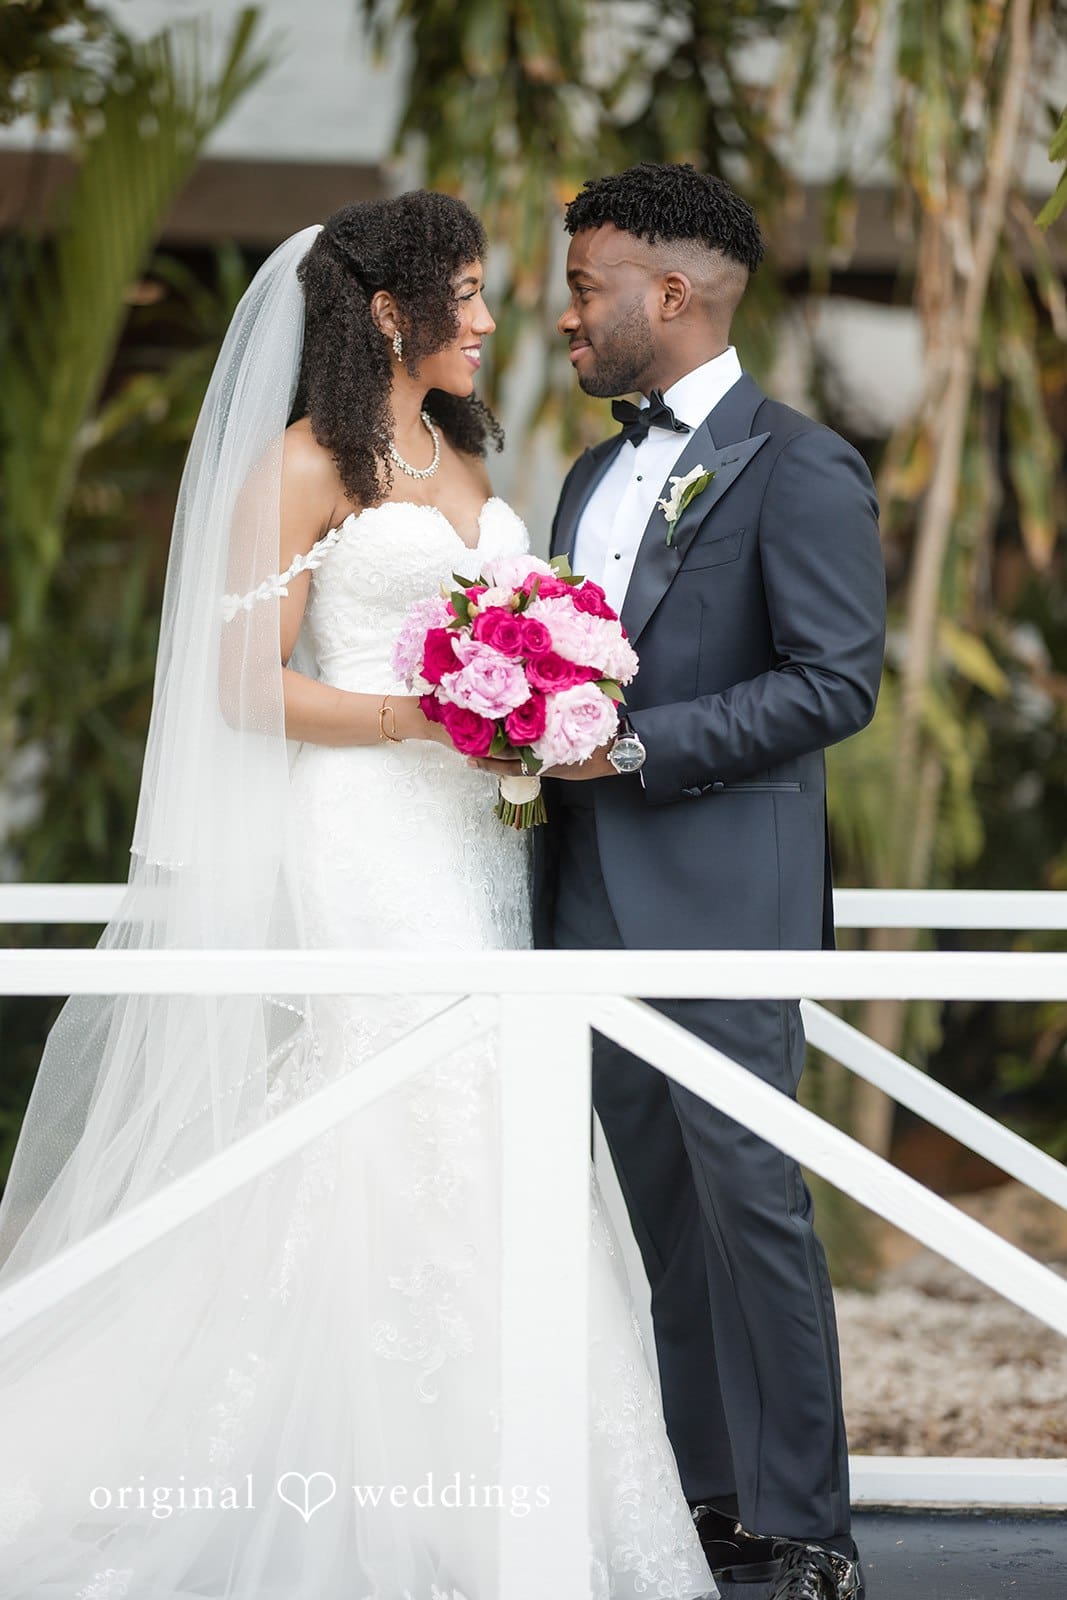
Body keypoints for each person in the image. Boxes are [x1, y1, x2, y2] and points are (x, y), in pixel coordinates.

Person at [0, 195, 716, 1599]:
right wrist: (420, 720)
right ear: (390, 313)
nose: (498, 318)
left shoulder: (455, 450)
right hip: (366, 836)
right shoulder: (303, 467)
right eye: (470, 292)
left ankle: (489, 1492)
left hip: (475, 842)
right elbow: (237, 683)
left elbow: (501, 636)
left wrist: (548, 690)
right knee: (388, 1113)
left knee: (496, 1125)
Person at [519, 162, 885, 1600]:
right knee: (647, 1212)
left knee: (754, 1210)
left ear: (669, 295)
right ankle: (701, 1501)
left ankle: (806, 1528)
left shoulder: (798, 463)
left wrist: (636, 745)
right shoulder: (589, 472)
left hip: (724, 891)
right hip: (582, 895)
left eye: (583, 286)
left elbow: (835, 683)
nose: (565, 317)